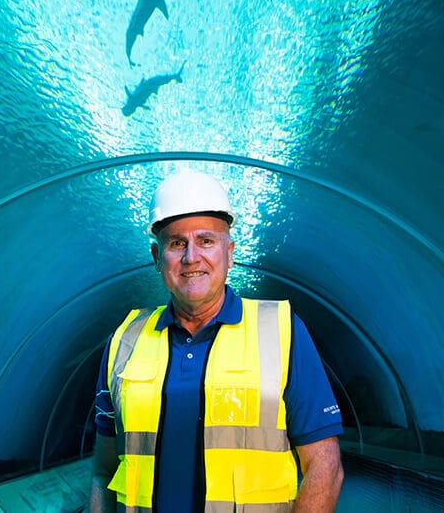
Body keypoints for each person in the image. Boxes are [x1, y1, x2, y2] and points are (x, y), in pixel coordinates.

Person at [89, 168, 344, 512]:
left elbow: (325, 468)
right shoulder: (125, 340)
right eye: (177, 243)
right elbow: (103, 470)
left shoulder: (282, 330)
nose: (191, 257)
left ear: (230, 251)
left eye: (206, 241)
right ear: (156, 257)